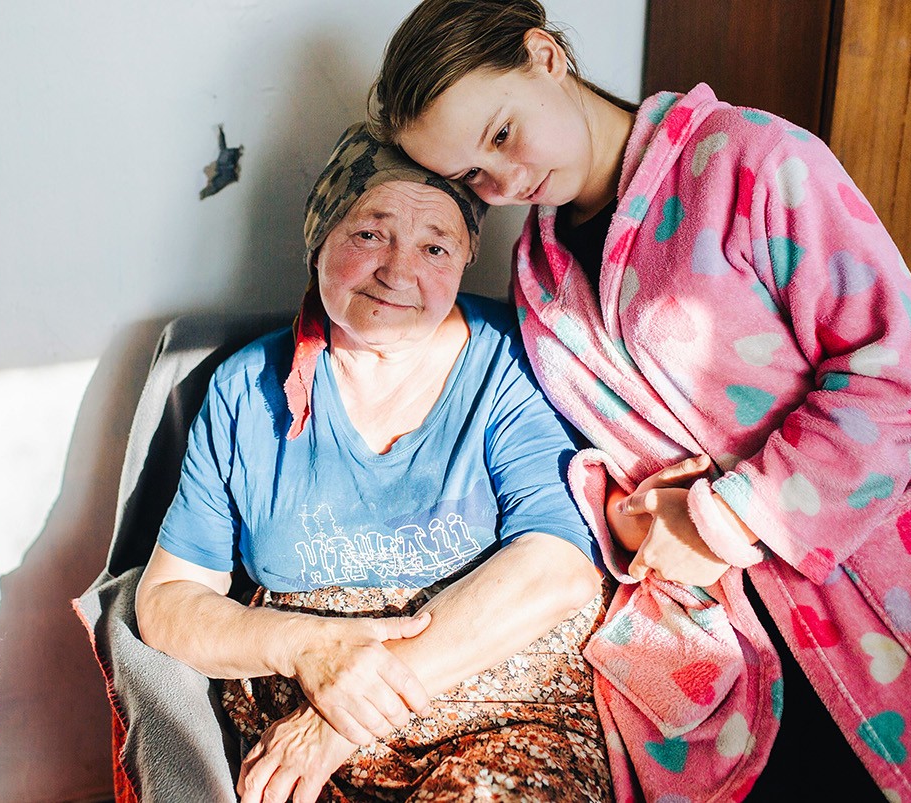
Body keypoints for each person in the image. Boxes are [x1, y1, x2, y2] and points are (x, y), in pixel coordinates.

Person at [369, 1, 911, 801]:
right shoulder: (537, 274)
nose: (503, 181)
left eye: (502, 134)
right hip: (725, 645)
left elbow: (898, 377)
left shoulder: (753, 160)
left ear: (543, 56)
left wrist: (723, 520)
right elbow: (601, 451)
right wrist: (626, 515)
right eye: (472, 176)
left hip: (879, 597)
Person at [134, 123, 612, 803]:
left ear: (465, 259)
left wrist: (340, 720)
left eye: (434, 247)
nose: (398, 272)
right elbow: (167, 600)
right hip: (301, 746)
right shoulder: (245, 389)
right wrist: (308, 647)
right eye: (369, 234)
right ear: (318, 239)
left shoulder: (512, 360)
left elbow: (558, 567)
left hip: (503, 726)